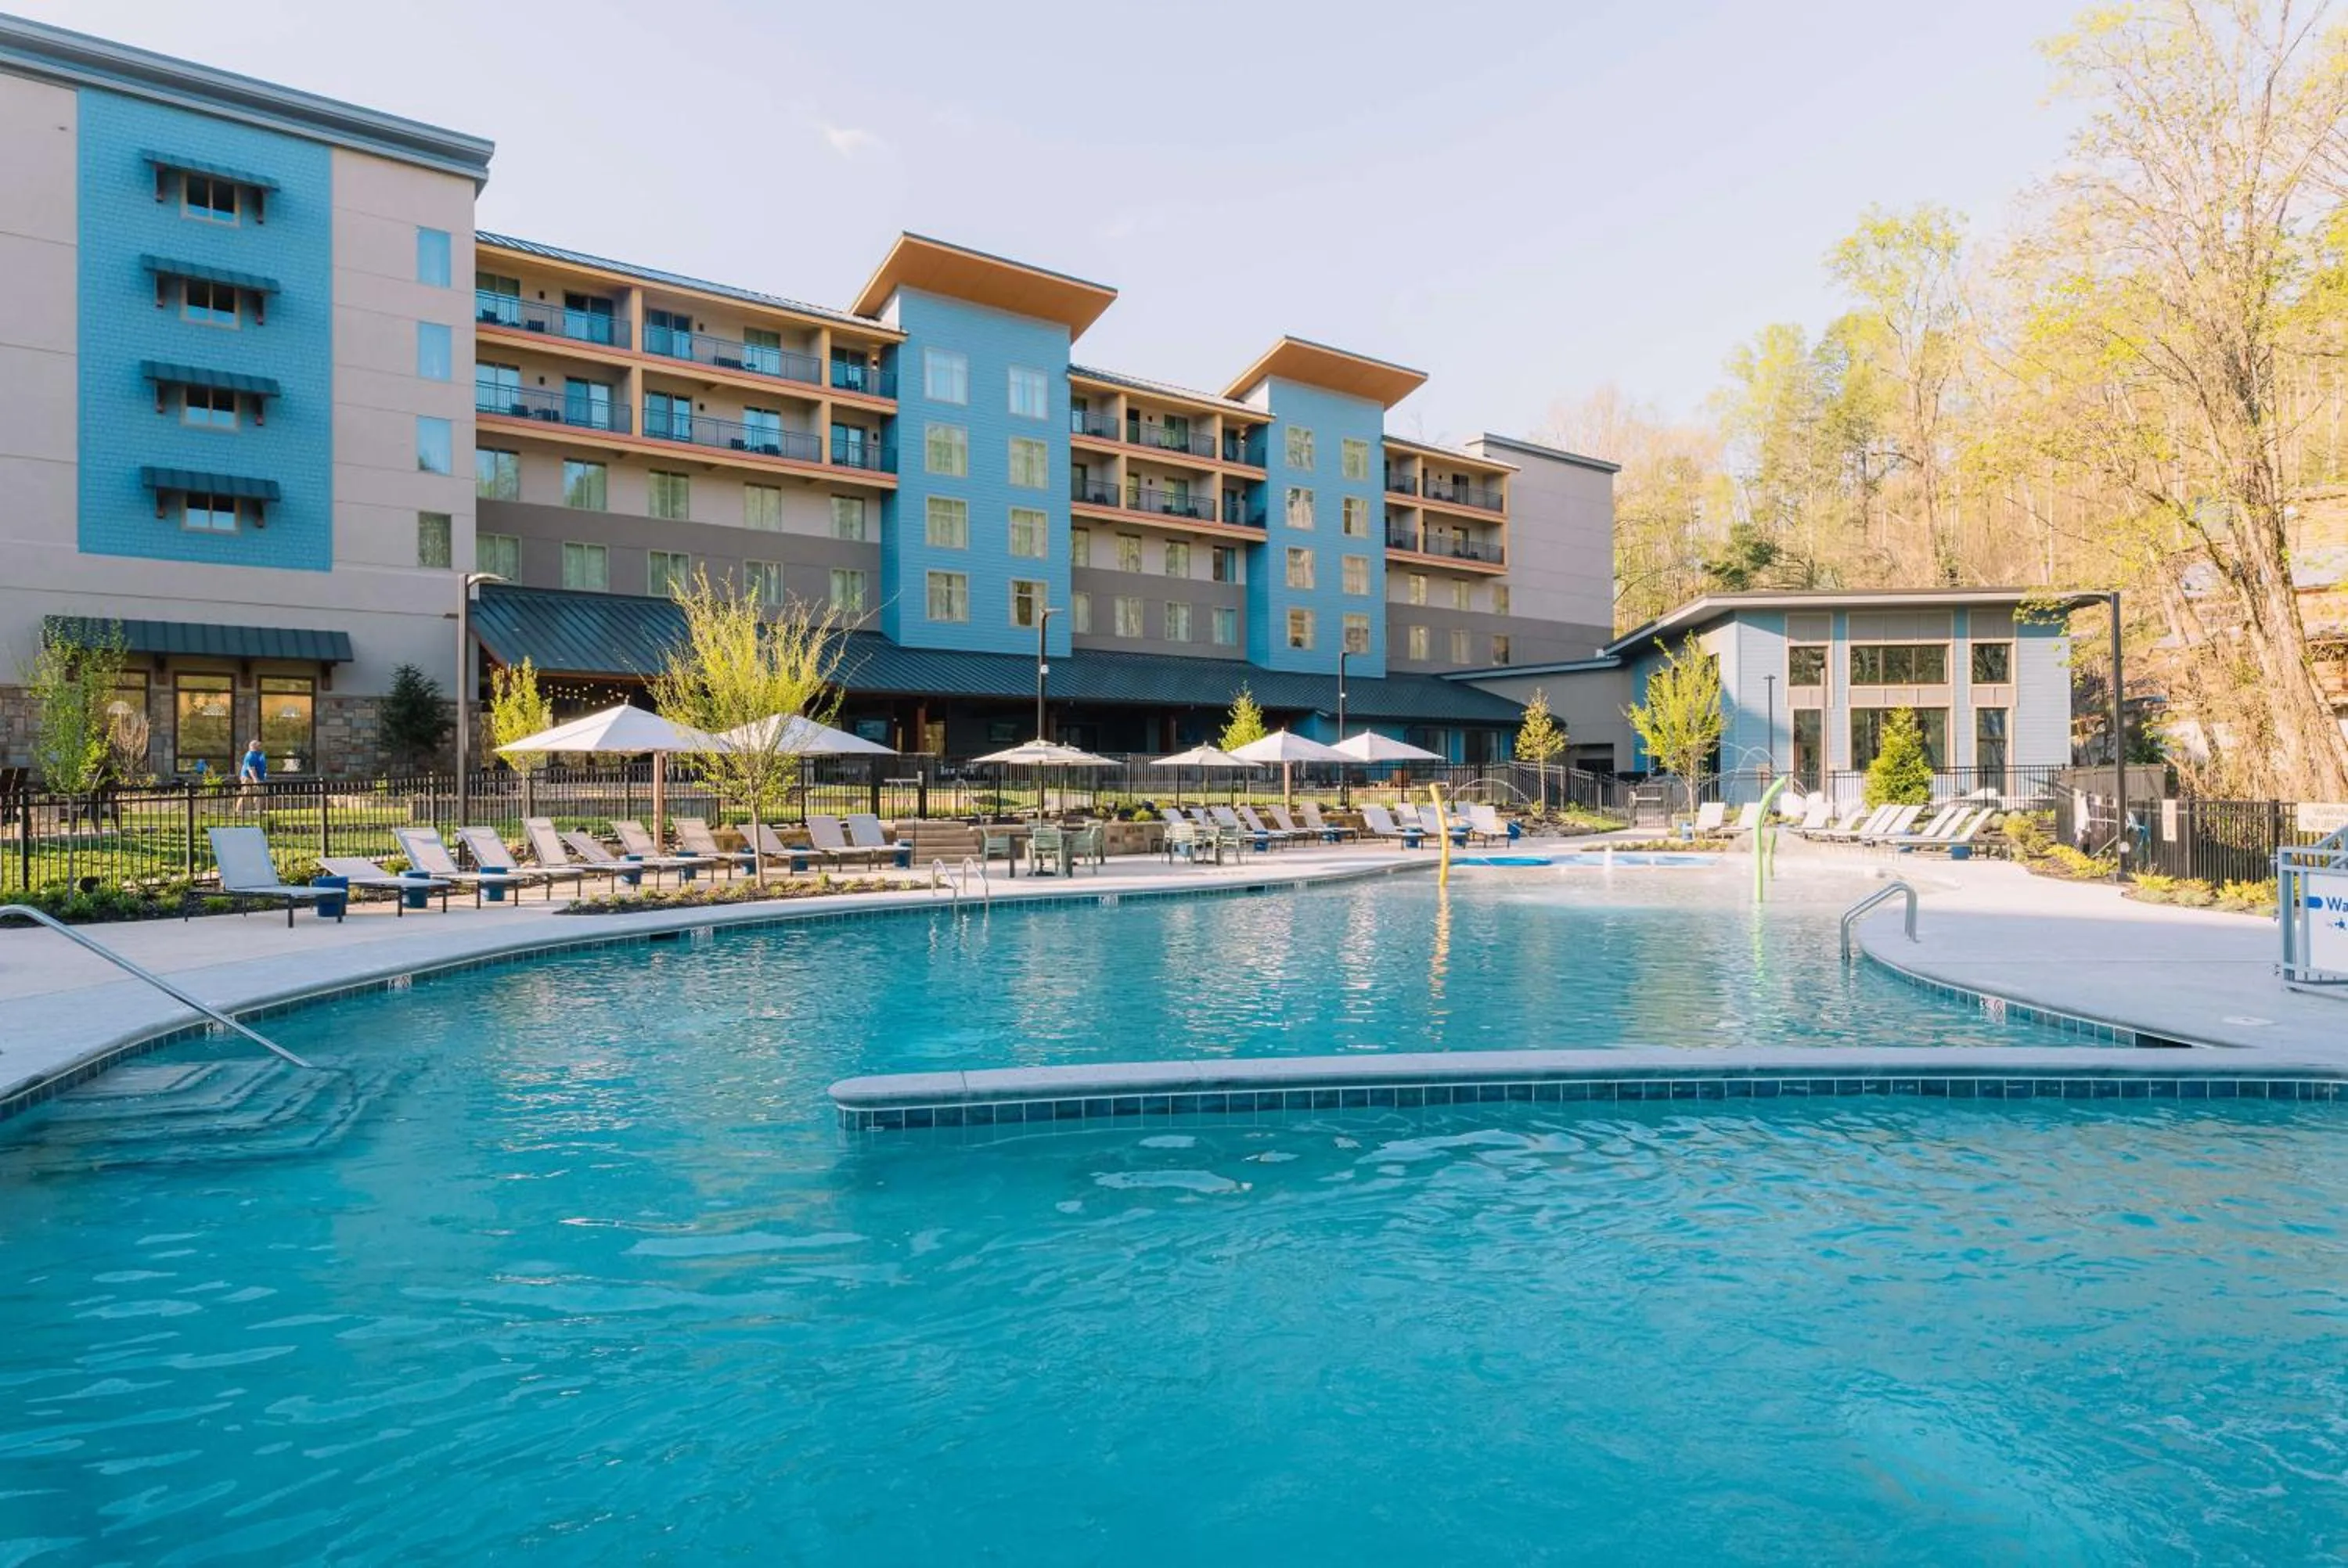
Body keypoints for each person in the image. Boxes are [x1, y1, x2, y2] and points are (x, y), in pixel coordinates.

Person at [236, 739, 267, 815]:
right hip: (248, 778)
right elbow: (251, 769)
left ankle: (259, 811)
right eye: (258, 745)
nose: (260, 746)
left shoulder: (259, 754)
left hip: (259, 777)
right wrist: (256, 780)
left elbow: (262, 765)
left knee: (259, 794)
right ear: (253, 746)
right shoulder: (251, 755)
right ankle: (238, 811)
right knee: (246, 793)